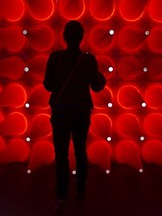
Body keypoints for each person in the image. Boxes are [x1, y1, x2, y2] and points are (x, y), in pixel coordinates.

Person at [43, 20, 106, 210]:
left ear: (64, 37)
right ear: (81, 38)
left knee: (61, 154)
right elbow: (96, 86)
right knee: (80, 150)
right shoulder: (88, 60)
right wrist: (101, 77)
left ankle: (61, 196)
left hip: (61, 112)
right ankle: (80, 189)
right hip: (81, 112)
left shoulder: (54, 57)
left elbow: (48, 85)